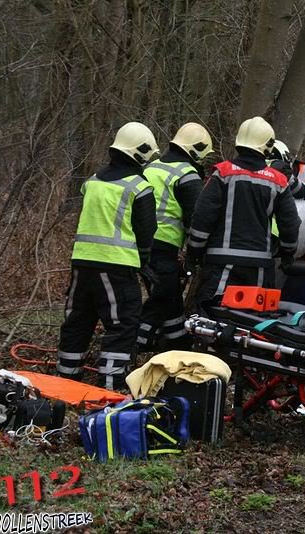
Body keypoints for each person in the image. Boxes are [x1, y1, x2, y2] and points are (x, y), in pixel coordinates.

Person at [57, 122, 159, 390]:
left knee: (78, 320)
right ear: (141, 153)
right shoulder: (139, 187)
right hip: (117, 267)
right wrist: (145, 262)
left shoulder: (91, 182)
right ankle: (110, 386)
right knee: (123, 324)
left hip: (82, 263)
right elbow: (146, 232)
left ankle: (65, 381)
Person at [187, 117, 300, 311]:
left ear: (239, 141)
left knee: (212, 318)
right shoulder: (279, 181)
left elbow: (202, 217)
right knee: (252, 323)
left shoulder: (222, 173)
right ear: (268, 147)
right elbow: (290, 224)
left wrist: (194, 251)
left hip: (221, 264)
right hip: (260, 268)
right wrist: (287, 255)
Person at [136, 122, 213, 352]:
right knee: (161, 299)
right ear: (196, 150)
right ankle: (135, 344)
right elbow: (195, 221)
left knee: (170, 300)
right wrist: (196, 253)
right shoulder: (187, 175)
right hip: (163, 247)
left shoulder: (151, 167)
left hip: (137, 245)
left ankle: (177, 342)